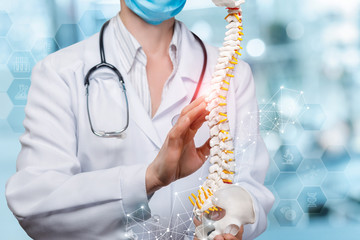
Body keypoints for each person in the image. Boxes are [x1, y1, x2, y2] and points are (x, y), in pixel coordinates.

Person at [6, 0, 274, 239]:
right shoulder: (60, 73)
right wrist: (149, 178)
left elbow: (252, 189)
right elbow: (35, 202)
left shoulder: (232, 74)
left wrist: (233, 223)